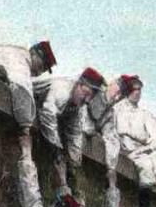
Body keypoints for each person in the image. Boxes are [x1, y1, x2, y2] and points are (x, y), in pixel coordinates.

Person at [33, 67, 105, 196]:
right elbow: (47, 115)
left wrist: (74, 164)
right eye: (86, 94)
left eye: (91, 97)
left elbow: (74, 134)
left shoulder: (77, 106)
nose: (87, 100)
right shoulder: (62, 90)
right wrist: (57, 152)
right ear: (78, 84)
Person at [82, 74, 142, 195]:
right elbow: (85, 126)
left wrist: (111, 169)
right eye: (118, 91)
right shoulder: (93, 91)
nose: (117, 97)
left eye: (121, 96)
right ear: (112, 84)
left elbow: (112, 139)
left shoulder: (109, 113)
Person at [113, 76, 156, 207]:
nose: (137, 93)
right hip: (118, 145)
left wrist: (141, 150)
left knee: (147, 165)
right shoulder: (116, 109)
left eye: (140, 90)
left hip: (138, 151)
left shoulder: (145, 115)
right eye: (134, 89)